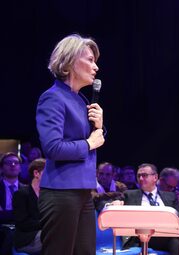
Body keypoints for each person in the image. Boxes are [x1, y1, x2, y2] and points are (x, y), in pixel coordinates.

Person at [36, 34, 105, 255]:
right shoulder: (53, 98)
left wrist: (100, 126)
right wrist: (88, 143)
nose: (95, 67)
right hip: (61, 193)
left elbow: (95, 140)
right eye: (89, 60)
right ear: (69, 62)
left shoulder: (81, 99)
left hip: (84, 191)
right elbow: (53, 148)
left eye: (95, 61)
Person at [122, 163, 179, 255]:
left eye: (144, 175)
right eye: (139, 176)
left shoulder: (171, 197)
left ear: (155, 177)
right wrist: (116, 202)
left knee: (178, 241)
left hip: (166, 235)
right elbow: (112, 203)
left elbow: (178, 218)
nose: (140, 179)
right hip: (141, 237)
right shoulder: (129, 195)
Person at [13, 158, 45, 255]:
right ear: (36, 173)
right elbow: (23, 223)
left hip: (43, 232)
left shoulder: (49, 195)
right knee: (53, 234)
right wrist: (48, 224)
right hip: (27, 238)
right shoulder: (21, 194)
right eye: (49, 172)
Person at [0, 152, 25, 255]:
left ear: (20, 168)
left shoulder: (28, 190)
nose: (13, 165)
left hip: (21, 228)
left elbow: (30, 215)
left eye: (16, 162)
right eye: (8, 162)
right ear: (1, 168)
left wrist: (5, 213)